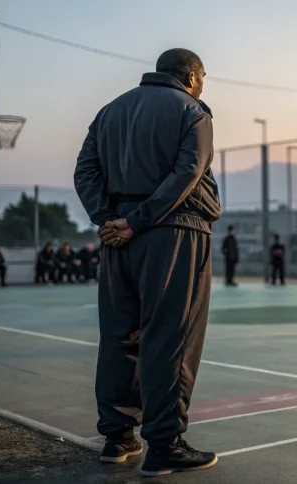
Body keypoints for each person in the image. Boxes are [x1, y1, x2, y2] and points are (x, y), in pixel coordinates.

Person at [73, 48, 220, 476]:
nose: (204, 82)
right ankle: (164, 445)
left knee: (120, 336)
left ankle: (118, 437)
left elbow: (85, 171)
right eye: (204, 75)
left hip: (119, 237)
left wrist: (110, 221)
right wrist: (137, 222)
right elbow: (188, 172)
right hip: (175, 231)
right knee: (171, 337)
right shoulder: (193, 110)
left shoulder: (109, 111)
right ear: (192, 75)